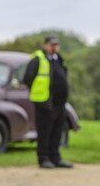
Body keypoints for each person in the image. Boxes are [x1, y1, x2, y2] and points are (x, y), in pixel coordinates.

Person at [24, 34, 73, 169]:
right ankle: (44, 158)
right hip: (44, 101)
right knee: (45, 131)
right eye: (51, 45)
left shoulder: (59, 59)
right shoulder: (38, 59)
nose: (54, 47)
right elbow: (28, 78)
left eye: (56, 45)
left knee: (57, 131)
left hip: (59, 102)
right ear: (44, 45)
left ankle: (55, 157)